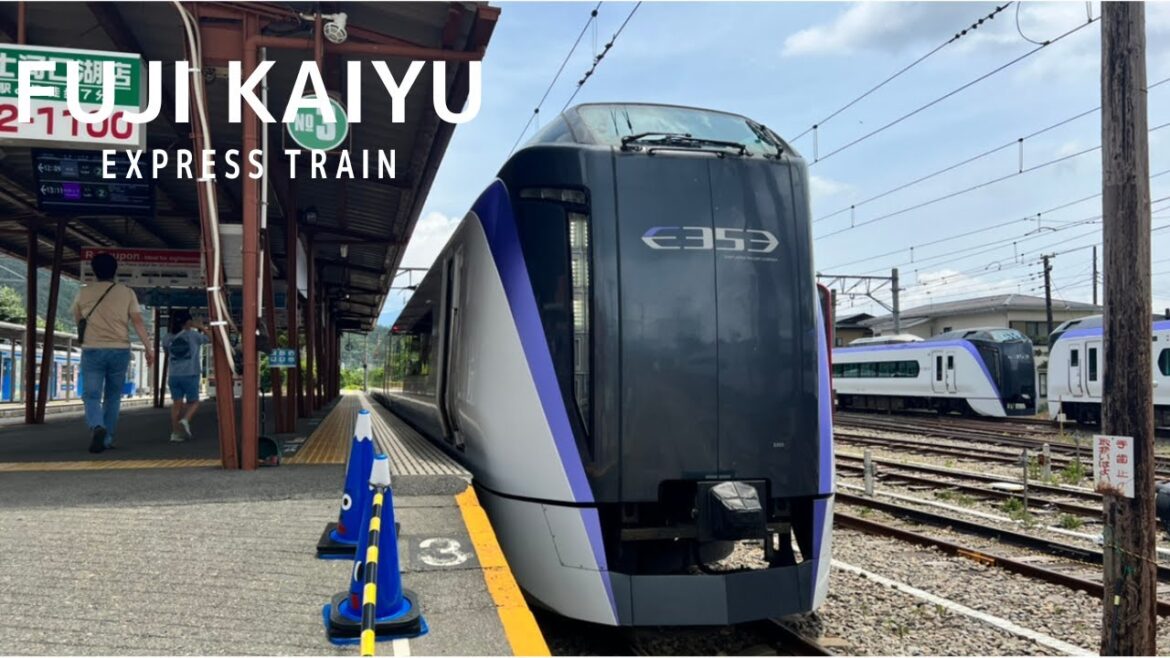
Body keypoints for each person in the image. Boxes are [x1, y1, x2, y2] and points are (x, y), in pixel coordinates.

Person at [71, 253, 155, 454]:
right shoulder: (126, 293)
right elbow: (137, 322)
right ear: (115, 271)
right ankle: (107, 438)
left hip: (92, 349)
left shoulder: (84, 293)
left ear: (94, 271)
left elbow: (78, 318)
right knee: (113, 396)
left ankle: (97, 425)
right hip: (119, 349)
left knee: (91, 394)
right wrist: (148, 348)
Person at [162, 309, 210, 443]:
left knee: (176, 405)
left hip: (174, 375)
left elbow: (167, 351)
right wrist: (201, 327)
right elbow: (211, 338)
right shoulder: (193, 336)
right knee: (194, 402)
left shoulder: (167, 337)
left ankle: (175, 433)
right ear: (188, 322)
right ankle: (185, 420)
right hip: (190, 373)